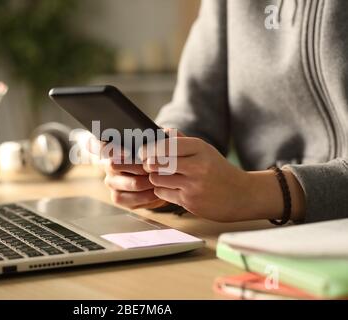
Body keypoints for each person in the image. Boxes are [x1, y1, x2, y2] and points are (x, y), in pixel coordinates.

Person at [90, 0, 348, 224]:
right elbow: (195, 113)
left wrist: (251, 194)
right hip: (262, 234)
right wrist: (163, 179)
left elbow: (245, 195)